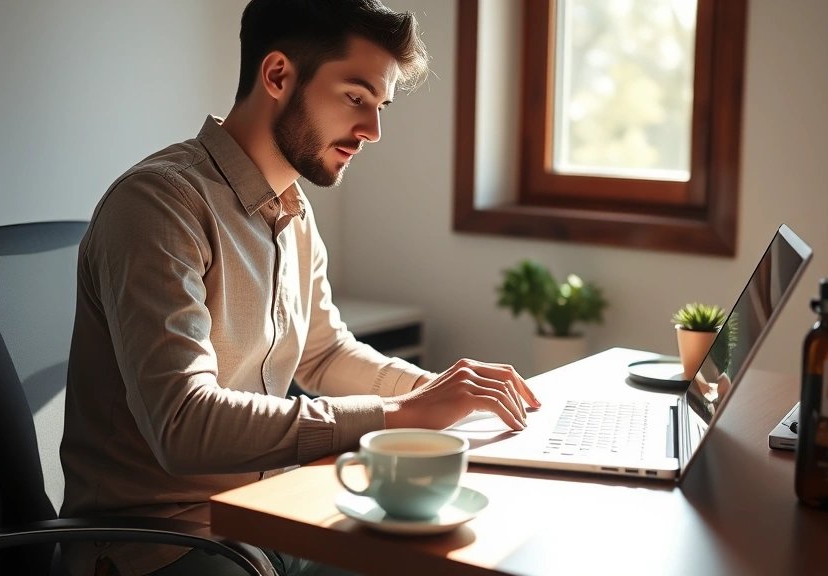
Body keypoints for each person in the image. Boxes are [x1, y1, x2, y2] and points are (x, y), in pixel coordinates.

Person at [58, 1, 540, 575]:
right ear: (279, 75)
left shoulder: (293, 210)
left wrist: (450, 395)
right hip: (157, 542)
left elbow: (323, 352)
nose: (373, 131)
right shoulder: (159, 206)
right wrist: (400, 413)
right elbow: (182, 424)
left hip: (267, 511)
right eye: (356, 98)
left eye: (380, 106)